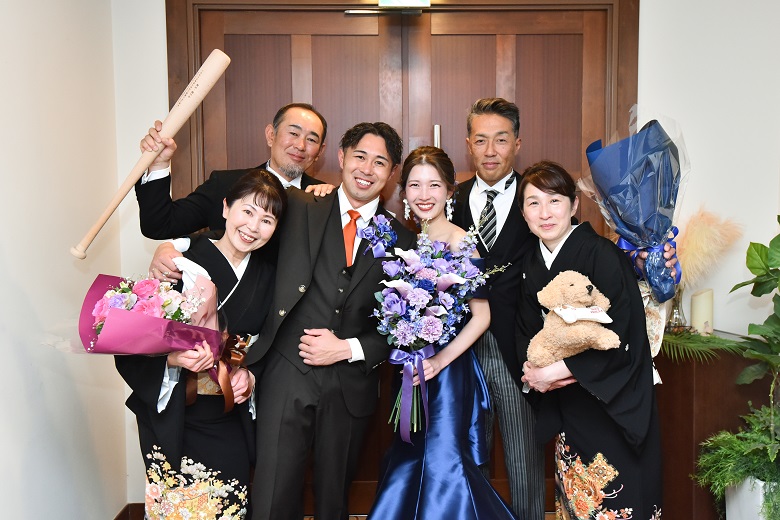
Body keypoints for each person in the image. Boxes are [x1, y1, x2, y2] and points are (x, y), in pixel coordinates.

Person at [115, 169, 287, 519]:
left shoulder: (271, 277)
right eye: (247, 211)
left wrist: (251, 375)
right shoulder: (179, 261)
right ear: (225, 208)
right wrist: (172, 360)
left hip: (227, 415)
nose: (253, 227)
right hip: (176, 412)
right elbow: (130, 339)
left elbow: (270, 344)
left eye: (267, 220)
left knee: (228, 507)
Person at [368, 146, 517, 519]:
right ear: (403, 191)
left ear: (450, 191)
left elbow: (481, 316)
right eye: (415, 185)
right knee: (411, 453)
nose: (424, 195)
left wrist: (440, 360)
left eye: (434, 185)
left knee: (443, 459)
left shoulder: (461, 240)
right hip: (410, 367)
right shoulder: (405, 241)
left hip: (448, 371)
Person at [517, 161, 662, 519]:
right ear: (523, 212)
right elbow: (524, 330)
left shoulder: (602, 255)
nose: (545, 212)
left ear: (574, 205)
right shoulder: (531, 264)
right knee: (576, 504)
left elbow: (620, 334)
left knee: (618, 502)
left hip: (611, 403)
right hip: (568, 406)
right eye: (534, 203)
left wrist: (555, 373)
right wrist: (533, 369)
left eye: (554, 200)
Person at [452, 97, 545, 517]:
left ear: (517, 144)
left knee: (524, 463)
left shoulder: (538, 198)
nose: (490, 151)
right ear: (468, 144)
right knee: (468, 457)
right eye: (481, 140)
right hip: (459, 349)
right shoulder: (449, 198)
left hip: (519, 347)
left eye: (501, 140)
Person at [135, 102, 328, 241]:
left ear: (320, 151)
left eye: (311, 140)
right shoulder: (225, 184)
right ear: (271, 135)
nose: (300, 145)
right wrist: (159, 164)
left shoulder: (327, 198)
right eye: (293, 133)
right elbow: (159, 225)